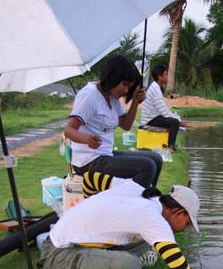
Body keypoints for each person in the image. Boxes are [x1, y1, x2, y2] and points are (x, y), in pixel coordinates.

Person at [39, 171, 200, 269]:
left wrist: (89, 204)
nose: (182, 230)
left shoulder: (135, 188)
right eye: (186, 224)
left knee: (146, 242)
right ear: (178, 212)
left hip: (64, 237)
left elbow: (90, 178)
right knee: (132, 268)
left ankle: (106, 263)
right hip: (57, 256)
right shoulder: (153, 219)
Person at [64, 56, 163, 188]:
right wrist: (86, 139)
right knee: (147, 166)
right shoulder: (90, 95)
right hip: (88, 161)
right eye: (124, 84)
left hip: (106, 154)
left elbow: (126, 125)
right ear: (113, 76)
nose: (126, 90)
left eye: (129, 87)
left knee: (156, 159)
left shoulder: (112, 97)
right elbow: (69, 130)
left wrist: (135, 101)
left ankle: (147, 198)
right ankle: (133, 203)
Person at [140, 64, 186, 152]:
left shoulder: (156, 87)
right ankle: (170, 147)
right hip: (150, 119)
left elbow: (163, 109)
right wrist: (179, 121)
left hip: (154, 116)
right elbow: (165, 112)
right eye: (166, 74)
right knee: (174, 122)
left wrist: (177, 118)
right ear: (159, 77)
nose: (167, 77)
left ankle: (170, 145)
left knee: (174, 120)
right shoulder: (155, 90)